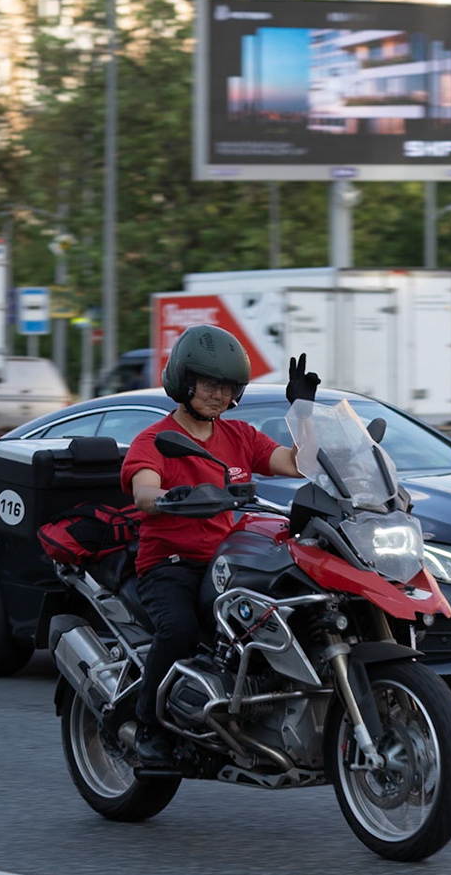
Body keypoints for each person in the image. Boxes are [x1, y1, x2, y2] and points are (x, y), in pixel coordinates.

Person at [119, 326, 320, 773]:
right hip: (170, 564)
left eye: (227, 386)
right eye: (209, 383)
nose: (218, 394)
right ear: (183, 381)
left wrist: (303, 411)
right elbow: (143, 491)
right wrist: (170, 497)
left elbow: (297, 464)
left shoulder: (239, 436)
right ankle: (148, 725)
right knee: (179, 630)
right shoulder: (155, 440)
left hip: (225, 560)